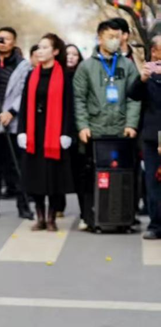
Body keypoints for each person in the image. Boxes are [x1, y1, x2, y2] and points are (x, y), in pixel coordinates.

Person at [73, 19, 140, 229]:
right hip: (95, 129)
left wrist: (131, 123)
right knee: (90, 174)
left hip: (121, 130)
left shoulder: (127, 65)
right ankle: (89, 215)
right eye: (110, 36)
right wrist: (83, 125)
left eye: (117, 36)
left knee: (124, 173)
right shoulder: (86, 66)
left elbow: (134, 97)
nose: (115, 41)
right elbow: (79, 99)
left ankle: (124, 215)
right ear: (99, 37)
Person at [16, 34, 75, 232]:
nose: (40, 51)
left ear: (55, 51)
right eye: (38, 48)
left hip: (54, 131)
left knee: (54, 177)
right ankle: (40, 216)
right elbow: (24, 105)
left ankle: (52, 217)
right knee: (35, 177)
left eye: (45, 47)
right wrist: (22, 131)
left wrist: (66, 133)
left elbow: (69, 107)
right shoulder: (32, 76)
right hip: (35, 131)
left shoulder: (64, 76)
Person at [0, 27, 33, 219]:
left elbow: (24, 93)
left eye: (6, 39)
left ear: (14, 42)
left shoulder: (22, 65)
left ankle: (23, 206)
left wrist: (11, 111)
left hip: (13, 121)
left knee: (17, 166)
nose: (2, 42)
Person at [127, 35, 161, 239]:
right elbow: (132, 95)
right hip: (152, 136)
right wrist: (142, 79)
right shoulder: (148, 72)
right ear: (155, 52)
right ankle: (156, 224)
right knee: (153, 182)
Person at [65, 43, 85, 222]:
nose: (70, 57)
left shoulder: (83, 75)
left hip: (79, 129)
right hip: (60, 129)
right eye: (67, 54)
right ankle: (57, 206)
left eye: (74, 54)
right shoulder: (58, 75)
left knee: (80, 171)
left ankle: (84, 210)